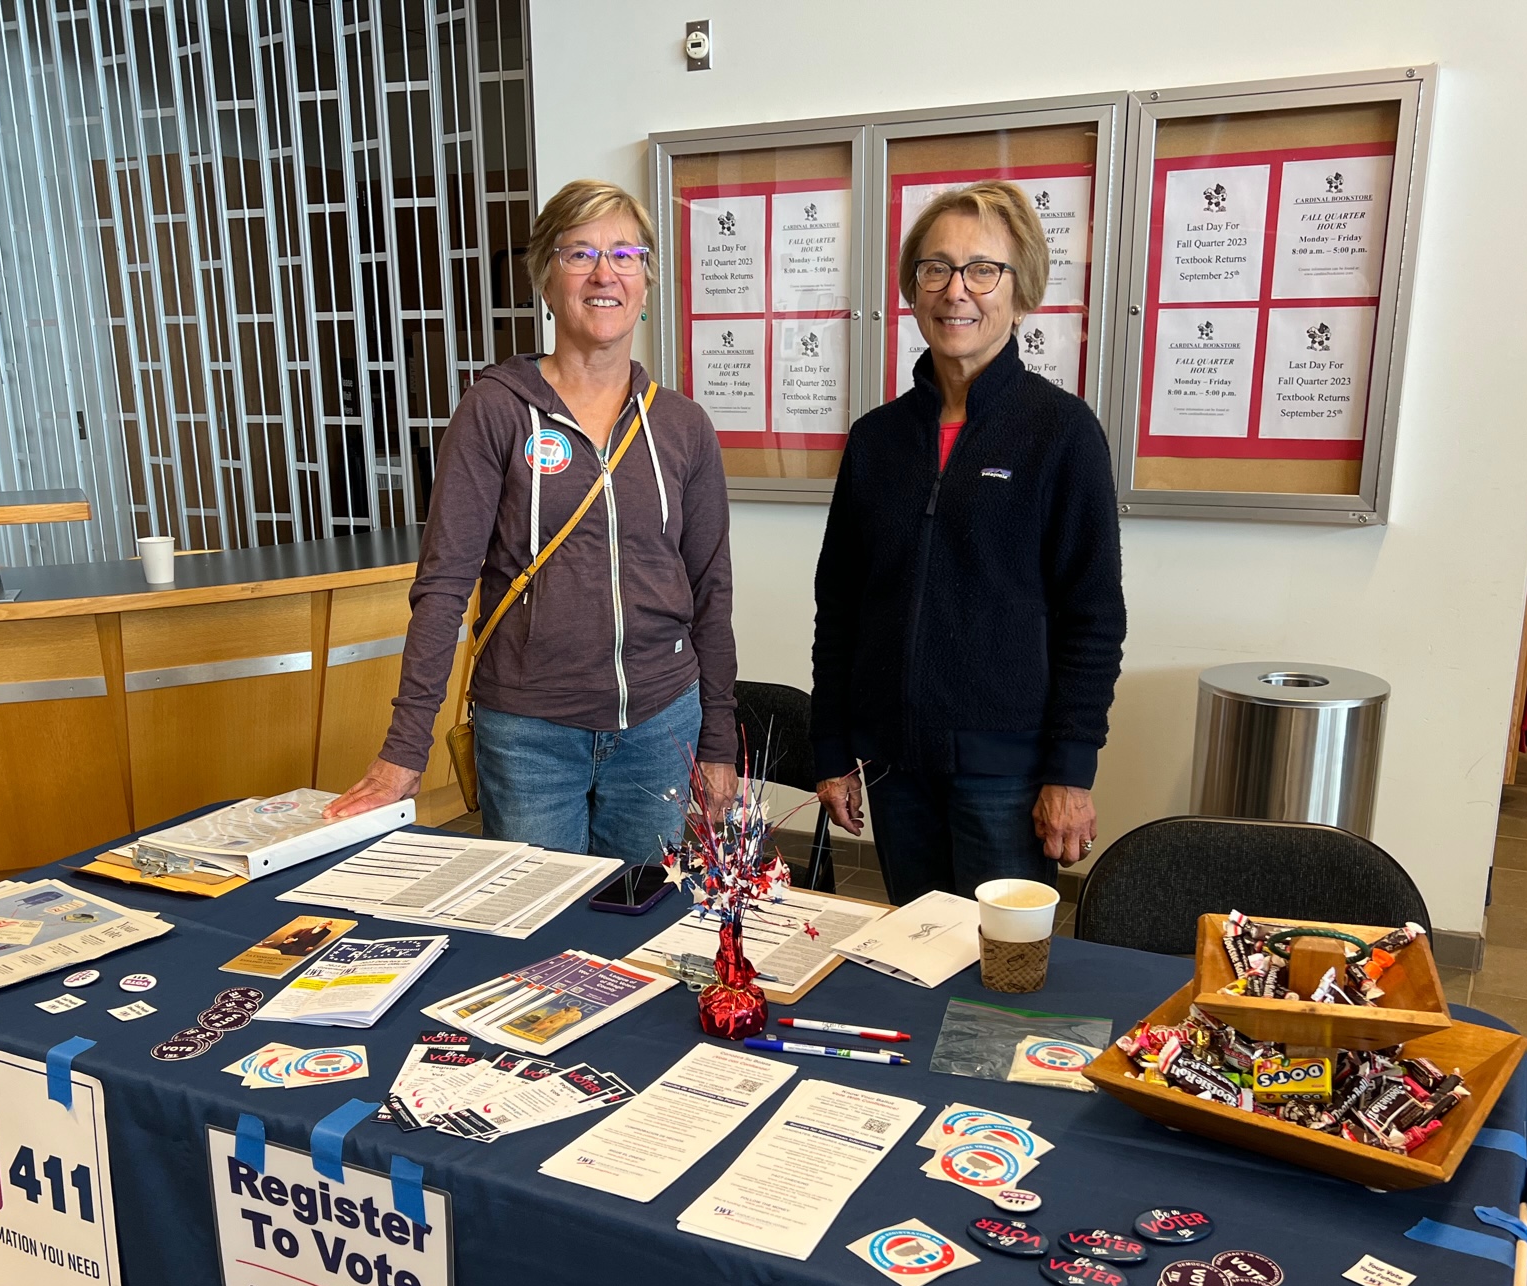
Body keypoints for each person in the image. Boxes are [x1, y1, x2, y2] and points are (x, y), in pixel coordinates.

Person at [325, 179, 737, 859]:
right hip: (528, 735)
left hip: (662, 731)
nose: (605, 273)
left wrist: (718, 739)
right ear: (547, 277)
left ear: (646, 279)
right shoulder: (495, 411)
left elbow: (711, 592)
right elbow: (444, 585)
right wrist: (405, 751)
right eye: (580, 254)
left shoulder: (682, 426)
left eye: (625, 254)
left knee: (640, 933)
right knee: (540, 943)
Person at [809, 180, 1126, 905]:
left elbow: (1093, 619)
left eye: (983, 269)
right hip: (894, 768)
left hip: (1007, 777)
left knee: (999, 977)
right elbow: (841, 609)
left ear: (1020, 293)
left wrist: (1070, 774)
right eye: (936, 268)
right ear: (913, 290)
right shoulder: (875, 440)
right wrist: (833, 750)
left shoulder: (1061, 433)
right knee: (915, 957)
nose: (958, 290)